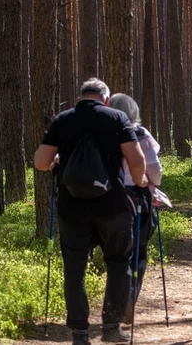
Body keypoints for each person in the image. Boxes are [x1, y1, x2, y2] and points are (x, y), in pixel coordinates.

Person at [34, 78, 147, 345]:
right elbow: (137, 159)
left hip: (72, 208)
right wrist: (141, 181)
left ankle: (80, 334)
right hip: (114, 207)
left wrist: (56, 163)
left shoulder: (63, 119)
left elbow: (40, 162)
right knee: (119, 263)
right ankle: (110, 327)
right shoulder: (117, 117)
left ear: (81, 97)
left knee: (75, 269)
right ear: (105, 99)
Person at [107, 93, 162, 326]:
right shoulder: (141, 135)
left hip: (109, 200)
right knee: (138, 251)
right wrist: (149, 181)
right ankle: (130, 296)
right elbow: (155, 173)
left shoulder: (104, 135)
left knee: (116, 254)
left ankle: (116, 303)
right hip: (137, 198)